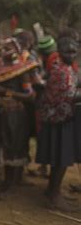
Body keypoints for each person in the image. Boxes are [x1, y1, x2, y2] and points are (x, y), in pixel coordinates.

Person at [0, 38, 40, 197]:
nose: (5, 51)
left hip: (17, 115)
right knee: (7, 145)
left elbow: (30, 95)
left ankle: (11, 182)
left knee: (16, 146)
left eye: (9, 48)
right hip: (4, 114)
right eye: (4, 48)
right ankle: (10, 180)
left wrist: (7, 93)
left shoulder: (23, 71)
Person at [36, 29, 81, 212]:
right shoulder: (60, 70)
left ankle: (52, 191)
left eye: (74, 51)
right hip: (59, 120)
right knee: (60, 160)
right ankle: (54, 196)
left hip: (61, 118)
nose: (71, 54)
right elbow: (69, 95)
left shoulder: (67, 67)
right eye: (67, 52)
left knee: (59, 159)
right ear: (60, 52)